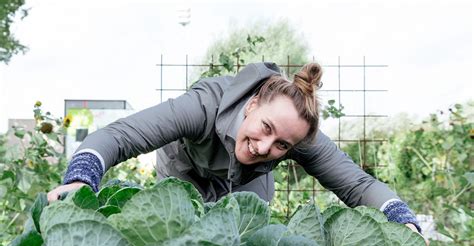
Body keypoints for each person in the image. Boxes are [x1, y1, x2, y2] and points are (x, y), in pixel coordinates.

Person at [47, 62, 423, 236]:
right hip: (185, 168)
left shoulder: (298, 134)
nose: (264, 146)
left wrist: (404, 218)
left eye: (282, 146)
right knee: (180, 235)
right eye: (266, 129)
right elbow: (118, 137)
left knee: (246, 237)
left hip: (246, 182)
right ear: (252, 104)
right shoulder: (203, 106)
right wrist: (82, 179)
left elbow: (356, 184)